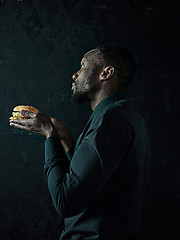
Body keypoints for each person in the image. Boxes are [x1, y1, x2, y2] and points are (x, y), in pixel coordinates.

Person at [9, 46, 150, 240]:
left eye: (83, 65)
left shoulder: (110, 120)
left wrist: (49, 134)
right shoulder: (121, 115)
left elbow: (65, 200)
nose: (75, 74)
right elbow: (90, 180)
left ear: (106, 73)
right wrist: (65, 139)